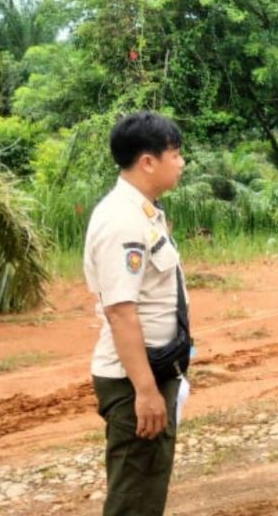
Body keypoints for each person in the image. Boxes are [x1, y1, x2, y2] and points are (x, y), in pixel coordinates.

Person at [84, 112, 188, 516]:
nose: (181, 163)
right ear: (148, 161)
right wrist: (145, 391)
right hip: (134, 382)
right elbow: (121, 311)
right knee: (134, 500)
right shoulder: (123, 220)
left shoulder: (143, 211)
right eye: (176, 154)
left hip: (152, 372)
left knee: (146, 490)